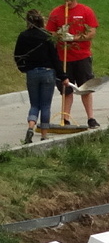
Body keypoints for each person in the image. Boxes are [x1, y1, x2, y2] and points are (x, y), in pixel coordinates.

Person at [46, 0, 100, 128]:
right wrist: (59, 34)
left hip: (82, 56)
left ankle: (91, 118)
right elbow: (49, 33)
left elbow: (91, 32)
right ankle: (65, 118)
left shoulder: (85, 11)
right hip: (63, 57)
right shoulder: (56, 13)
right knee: (66, 89)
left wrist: (73, 38)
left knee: (85, 88)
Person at [13, 9, 60, 143]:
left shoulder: (23, 36)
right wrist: (63, 75)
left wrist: (23, 68)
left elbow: (18, 55)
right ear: (41, 20)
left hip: (32, 72)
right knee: (45, 105)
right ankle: (44, 134)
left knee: (34, 104)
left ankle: (31, 127)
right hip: (47, 72)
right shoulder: (47, 36)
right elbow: (54, 57)